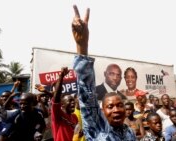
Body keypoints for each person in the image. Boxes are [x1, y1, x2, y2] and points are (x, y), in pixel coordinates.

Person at [72, 5, 136, 140]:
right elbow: (87, 94)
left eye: (120, 105)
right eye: (110, 106)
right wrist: (82, 46)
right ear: (102, 111)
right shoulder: (97, 129)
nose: (116, 110)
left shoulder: (130, 132)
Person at [51, 67, 78, 141]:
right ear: (62, 104)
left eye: (73, 100)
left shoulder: (74, 117)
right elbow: (56, 98)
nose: (73, 102)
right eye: (70, 101)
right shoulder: (58, 114)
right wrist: (61, 76)